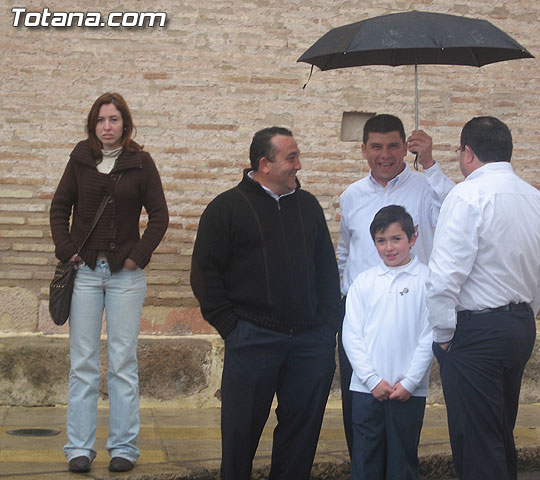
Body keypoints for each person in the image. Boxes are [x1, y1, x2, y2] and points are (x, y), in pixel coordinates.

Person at [190, 127, 341, 480]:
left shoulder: (308, 206)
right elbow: (204, 274)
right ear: (264, 164)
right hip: (252, 339)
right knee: (240, 440)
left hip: (309, 344)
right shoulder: (226, 208)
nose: (299, 165)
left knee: (300, 441)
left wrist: (326, 327)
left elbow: (326, 269)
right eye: (291, 158)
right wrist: (231, 328)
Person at [426, 116, 540, 480]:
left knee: (477, 443)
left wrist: (444, 336)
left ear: (468, 153)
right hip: (519, 325)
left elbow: (444, 276)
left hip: (477, 332)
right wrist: (524, 316)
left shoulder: (467, 195)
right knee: (499, 432)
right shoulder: (538, 200)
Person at [50, 92, 169, 474]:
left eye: (114, 119)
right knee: (82, 364)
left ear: (125, 123)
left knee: (122, 362)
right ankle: (79, 448)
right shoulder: (80, 160)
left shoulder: (140, 162)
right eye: (101, 120)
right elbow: (58, 208)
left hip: (126, 278)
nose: (107, 126)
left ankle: (123, 448)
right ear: (92, 124)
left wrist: (138, 255)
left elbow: (160, 216)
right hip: (84, 274)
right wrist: (68, 250)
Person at [336, 114, 454, 455]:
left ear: (405, 147)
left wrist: (430, 163)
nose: (384, 154)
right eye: (376, 146)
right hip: (362, 311)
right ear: (363, 150)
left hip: (411, 309)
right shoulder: (351, 196)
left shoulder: (425, 187)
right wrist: (346, 296)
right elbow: (345, 250)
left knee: (403, 408)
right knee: (359, 404)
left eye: (392, 146)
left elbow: (457, 210)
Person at [342, 205, 433, 480]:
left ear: (413, 238)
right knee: (365, 459)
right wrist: (370, 379)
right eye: (381, 241)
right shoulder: (364, 282)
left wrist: (410, 381)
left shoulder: (428, 280)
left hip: (408, 391)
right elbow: (351, 334)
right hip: (366, 390)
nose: (389, 247)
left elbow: (430, 335)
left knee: (402, 462)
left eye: (396, 239)